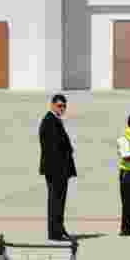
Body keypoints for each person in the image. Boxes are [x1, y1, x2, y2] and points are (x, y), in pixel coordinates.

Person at [38, 93, 77, 241]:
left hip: (60, 170)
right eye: (60, 106)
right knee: (56, 201)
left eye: (64, 106)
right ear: (52, 105)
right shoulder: (49, 121)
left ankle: (59, 229)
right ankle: (55, 232)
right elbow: (52, 149)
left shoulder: (55, 120)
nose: (62, 108)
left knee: (59, 201)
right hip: (56, 170)